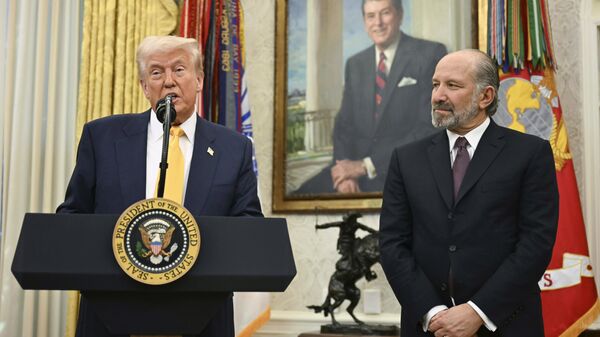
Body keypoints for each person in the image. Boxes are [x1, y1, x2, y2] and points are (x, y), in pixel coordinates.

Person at [57, 36, 262, 337]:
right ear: (143, 86)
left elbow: (249, 228)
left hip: (202, 316)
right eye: (156, 72)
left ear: (199, 80)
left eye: (179, 69)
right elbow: (72, 217)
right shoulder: (101, 138)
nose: (168, 82)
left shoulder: (234, 149)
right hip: (111, 313)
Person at [379, 49, 558, 337]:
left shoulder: (530, 154)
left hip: (506, 324)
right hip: (429, 328)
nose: (438, 95)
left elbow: (535, 244)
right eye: (436, 84)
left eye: (453, 85)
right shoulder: (406, 159)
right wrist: (434, 314)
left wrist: (477, 312)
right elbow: (392, 244)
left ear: (485, 97)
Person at [295, 0, 446, 194]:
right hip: (353, 169)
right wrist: (344, 173)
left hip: (401, 170)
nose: (378, 23)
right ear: (364, 21)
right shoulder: (355, 64)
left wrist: (367, 165)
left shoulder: (430, 54)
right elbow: (344, 126)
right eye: (371, 16)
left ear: (399, 15)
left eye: (385, 13)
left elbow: (429, 127)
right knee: (301, 195)